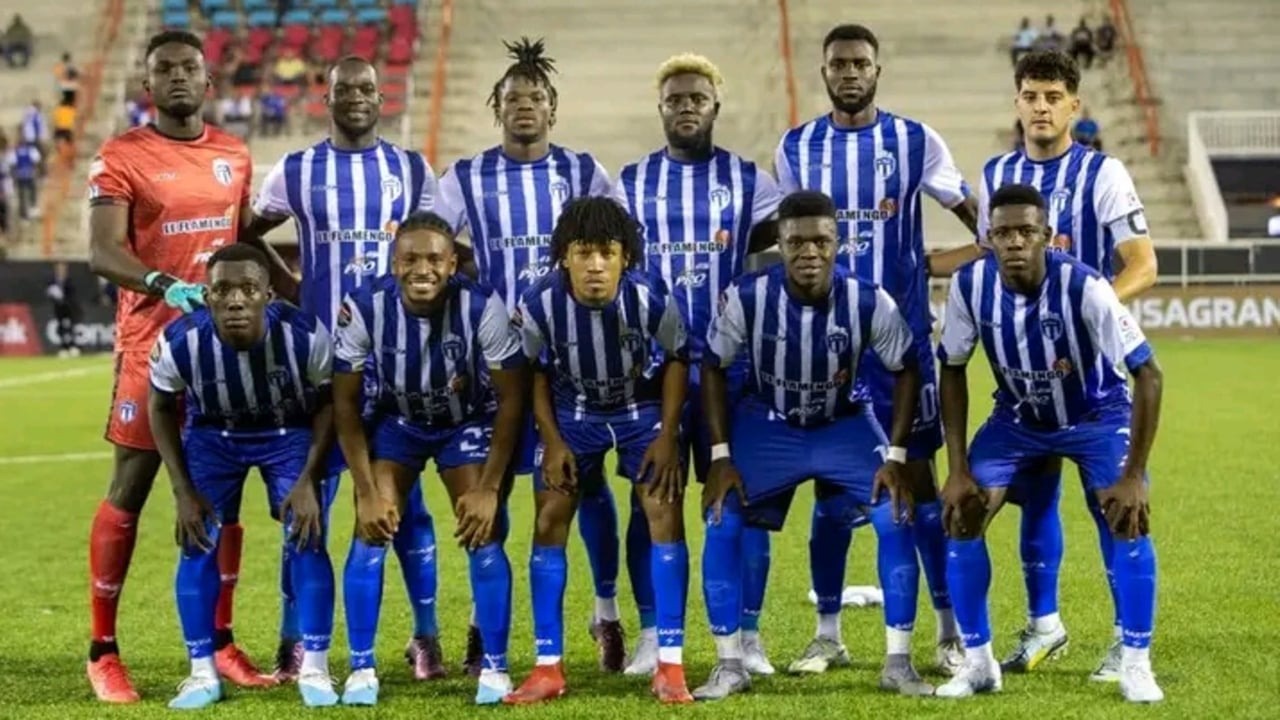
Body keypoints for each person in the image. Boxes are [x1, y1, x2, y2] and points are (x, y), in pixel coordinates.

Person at [774, 23, 977, 681]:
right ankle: (827, 634)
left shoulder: (915, 141)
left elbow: (970, 210)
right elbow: (784, 234)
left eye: (860, 63)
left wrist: (981, 252)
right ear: (824, 72)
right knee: (832, 490)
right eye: (839, 63)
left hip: (901, 346)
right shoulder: (796, 147)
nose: (850, 72)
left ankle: (947, 631)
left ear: (877, 70)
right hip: (823, 343)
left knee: (917, 483)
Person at [244, 54, 446, 683]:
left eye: (366, 89)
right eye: (344, 89)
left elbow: (437, 247)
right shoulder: (296, 169)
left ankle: (426, 636)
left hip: (394, 367)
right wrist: (293, 288)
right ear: (325, 98)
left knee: (405, 506)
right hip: (316, 369)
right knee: (306, 507)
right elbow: (249, 232)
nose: (355, 97)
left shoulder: (411, 169)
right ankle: (293, 640)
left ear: (381, 98)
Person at [84, 30, 264, 704]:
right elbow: (102, 251)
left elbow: (243, 242)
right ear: (148, 84)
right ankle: (103, 650)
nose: (179, 77)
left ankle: (221, 641)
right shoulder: (121, 155)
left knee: (225, 496)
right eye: (165, 69)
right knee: (129, 487)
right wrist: (164, 284)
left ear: (209, 81)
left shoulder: (234, 154)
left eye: (190, 67)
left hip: (221, 353)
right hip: (150, 345)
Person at [434, 37, 623, 676]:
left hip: (566, 360)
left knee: (579, 486)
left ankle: (605, 612)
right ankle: (481, 624)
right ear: (497, 108)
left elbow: (614, 246)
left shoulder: (583, 172)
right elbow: (431, 243)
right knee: (488, 489)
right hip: (491, 362)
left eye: (535, 97)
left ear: (552, 108)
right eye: (513, 98)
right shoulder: (464, 176)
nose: (524, 106)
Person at [934, 183, 1164, 704]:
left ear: (1048, 236)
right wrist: (957, 468)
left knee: (1126, 517)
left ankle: (1135, 663)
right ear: (988, 238)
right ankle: (978, 664)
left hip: (1096, 415)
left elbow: (1149, 374)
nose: (1014, 241)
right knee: (962, 513)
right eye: (1003, 233)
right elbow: (951, 369)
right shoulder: (969, 284)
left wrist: (1133, 475)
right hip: (1018, 420)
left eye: (1026, 231)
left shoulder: (1086, 287)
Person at [700, 190, 925, 698]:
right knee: (722, 516)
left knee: (896, 513)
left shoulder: (868, 299)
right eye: (795, 241)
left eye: (821, 241)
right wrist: (720, 456)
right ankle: (729, 665)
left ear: (837, 243)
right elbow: (713, 366)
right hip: (768, 423)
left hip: (842, 423)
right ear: (779, 244)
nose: (809, 252)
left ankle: (898, 664)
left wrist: (895, 455)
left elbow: (907, 367)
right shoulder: (747, 296)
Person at [976, 50, 1157, 682]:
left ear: (1074, 107)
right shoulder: (997, 173)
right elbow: (987, 263)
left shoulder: (1102, 173)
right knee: (1034, 498)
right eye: (1031, 95)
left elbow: (1142, 264)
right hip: (1024, 381)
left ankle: (1126, 642)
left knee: (1111, 505)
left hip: (1092, 379)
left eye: (1054, 97)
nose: (1041, 107)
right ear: (1017, 102)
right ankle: (1044, 626)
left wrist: (1090, 314)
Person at [612, 52, 780, 687]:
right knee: (650, 500)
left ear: (715, 107)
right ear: (661, 108)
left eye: (698, 99)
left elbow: (780, 236)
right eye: (676, 99)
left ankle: (747, 633)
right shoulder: (630, 183)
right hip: (652, 371)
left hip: (729, 368)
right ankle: (653, 632)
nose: (687, 107)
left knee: (741, 497)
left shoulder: (749, 180)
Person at [504, 196, 693, 705]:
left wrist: (668, 435)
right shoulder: (539, 302)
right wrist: (551, 438)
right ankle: (548, 667)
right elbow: (533, 370)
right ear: (564, 256)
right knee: (549, 517)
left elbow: (678, 358)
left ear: (624, 257)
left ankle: (670, 667)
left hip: (639, 411)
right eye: (583, 253)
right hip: (575, 413)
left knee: (663, 509)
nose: (595, 265)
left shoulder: (650, 295)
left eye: (607, 253)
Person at [331, 213, 526, 706]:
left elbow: (511, 399)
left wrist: (488, 488)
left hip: (465, 422)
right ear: (393, 262)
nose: (423, 269)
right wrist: (366, 491)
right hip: (399, 423)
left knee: (483, 533)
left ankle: (495, 668)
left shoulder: (481, 305)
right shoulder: (363, 306)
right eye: (411, 259)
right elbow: (345, 405)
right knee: (370, 529)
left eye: (435, 259)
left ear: (453, 264)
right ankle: (361, 668)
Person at [148, 244, 340, 709]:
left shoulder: (304, 334)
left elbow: (328, 404)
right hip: (214, 435)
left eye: (249, 289)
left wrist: (309, 479)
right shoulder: (179, 342)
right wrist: (182, 491)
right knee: (196, 541)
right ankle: (202, 673)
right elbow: (160, 407)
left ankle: (315, 668)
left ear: (268, 295)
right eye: (223, 290)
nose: (235, 300)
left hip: (287, 431)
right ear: (207, 296)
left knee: (307, 535)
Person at [47, 261, 81, 357]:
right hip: (59, 308)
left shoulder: (69, 281)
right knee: (61, 327)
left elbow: (73, 294)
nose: (61, 270)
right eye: (59, 269)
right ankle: (63, 348)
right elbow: (48, 292)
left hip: (69, 308)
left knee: (71, 327)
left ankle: (73, 346)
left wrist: (64, 298)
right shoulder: (52, 281)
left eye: (62, 269)